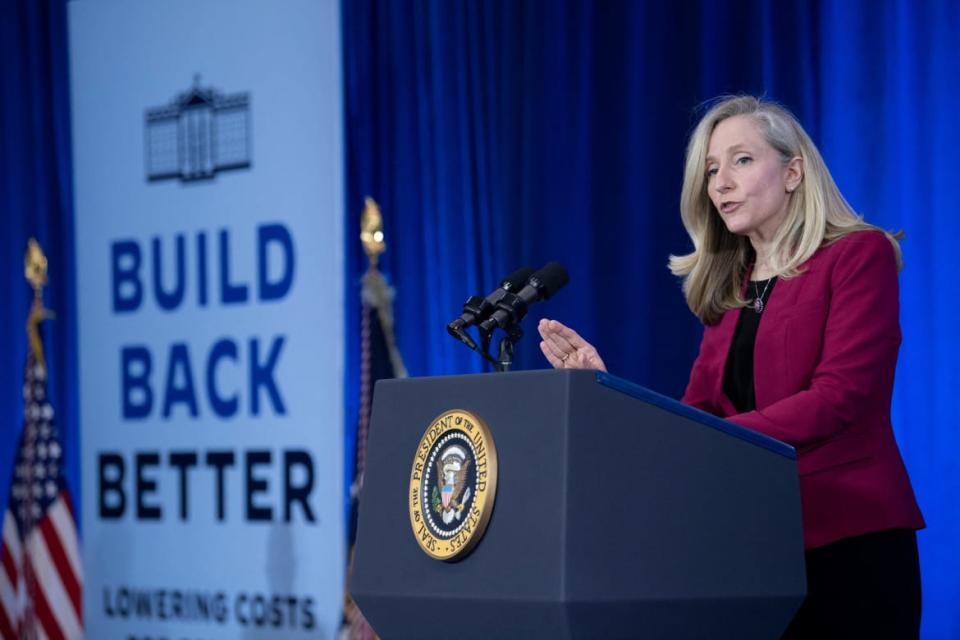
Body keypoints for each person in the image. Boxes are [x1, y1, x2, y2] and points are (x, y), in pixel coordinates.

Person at [538, 95, 924, 638]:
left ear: (793, 172)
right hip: (752, 551)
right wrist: (602, 389)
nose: (719, 183)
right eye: (711, 169)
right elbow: (694, 416)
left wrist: (716, 437)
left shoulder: (859, 255)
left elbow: (840, 397)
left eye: (740, 160)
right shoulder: (732, 286)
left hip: (848, 541)